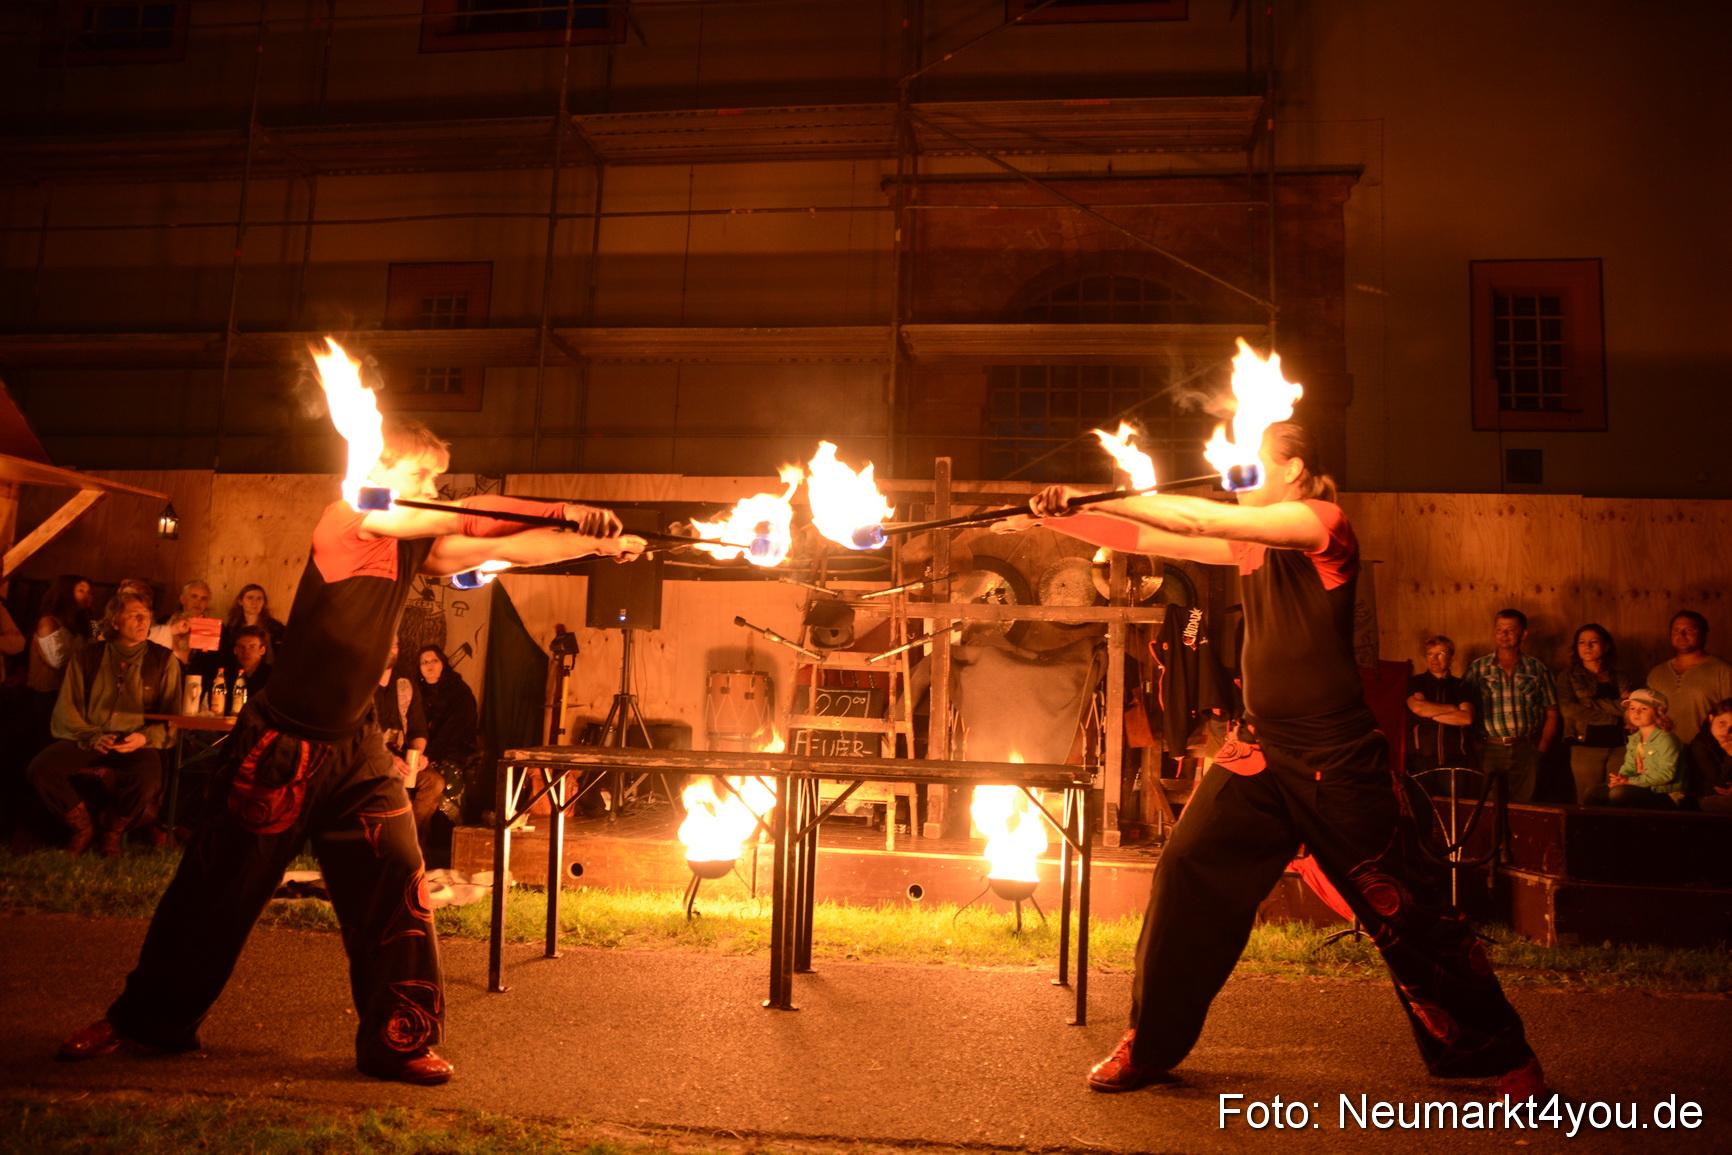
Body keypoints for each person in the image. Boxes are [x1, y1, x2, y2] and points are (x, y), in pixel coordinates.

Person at [56, 414, 644, 1086]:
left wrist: (595, 544)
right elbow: (473, 513)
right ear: (382, 471)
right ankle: (145, 1021)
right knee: (217, 891)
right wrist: (564, 509)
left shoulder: (413, 547)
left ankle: (398, 1041)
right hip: (278, 747)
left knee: (399, 879)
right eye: (424, 476)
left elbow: (498, 547)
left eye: (437, 479)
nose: (435, 489)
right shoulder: (350, 517)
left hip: (357, 749)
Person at [999, 420, 1541, 1099]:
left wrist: (1108, 496)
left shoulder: (1323, 525)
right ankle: (1152, 1043)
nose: (1235, 467)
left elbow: (1198, 516)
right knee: (1187, 867)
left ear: (1294, 470)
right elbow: (1149, 538)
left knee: (1406, 908)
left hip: (1337, 758)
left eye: (1253, 458)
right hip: (1259, 750)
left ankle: (1503, 1054)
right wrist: (1065, 518)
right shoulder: (1250, 543)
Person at [26, 593, 182, 856]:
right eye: (134, 615)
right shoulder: (87, 656)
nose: (143, 620)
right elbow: (67, 708)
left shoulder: (163, 660)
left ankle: (112, 832)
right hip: (91, 737)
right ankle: (82, 829)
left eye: (146, 615)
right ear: (115, 622)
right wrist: (92, 736)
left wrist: (144, 738)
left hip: (135, 742)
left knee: (147, 782)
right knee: (41, 769)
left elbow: (172, 718)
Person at [1462, 610, 1558, 804]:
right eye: (1499, 629)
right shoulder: (1477, 668)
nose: (1504, 635)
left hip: (1526, 749)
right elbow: (1464, 710)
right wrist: (1477, 746)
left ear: (1523, 634)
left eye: (1511, 630)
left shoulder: (1537, 668)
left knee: (1526, 806)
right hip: (1490, 749)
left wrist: (1540, 749)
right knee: (1491, 805)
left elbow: (1552, 713)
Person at [1555, 624, 1636, 805]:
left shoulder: (1620, 677)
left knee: (1618, 798)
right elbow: (1569, 710)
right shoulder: (1568, 677)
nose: (1587, 646)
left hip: (1620, 747)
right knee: (1587, 799)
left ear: (1606, 646)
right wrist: (1612, 717)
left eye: (1593, 642)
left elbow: (1629, 709)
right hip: (1585, 747)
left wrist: (1589, 703)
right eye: (1582, 642)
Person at [374, 640, 438, 848]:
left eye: (394, 645)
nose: (390, 649)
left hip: (401, 756)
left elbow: (418, 729)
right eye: (386, 642)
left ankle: (411, 843)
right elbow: (357, 734)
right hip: (370, 758)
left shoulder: (404, 684)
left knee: (433, 782)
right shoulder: (361, 684)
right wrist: (388, 759)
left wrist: (417, 755)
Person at [1581, 688, 1684, 810]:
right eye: (1632, 708)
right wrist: (1620, 779)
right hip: (1640, 786)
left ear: (1658, 712)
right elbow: (1629, 767)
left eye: (1644, 709)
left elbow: (1665, 775)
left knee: (1619, 794)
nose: (1636, 713)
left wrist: (1629, 782)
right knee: (1593, 792)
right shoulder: (1635, 739)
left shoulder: (1666, 739)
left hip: (1665, 793)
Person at [415, 645, 482, 824]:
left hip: (455, 750)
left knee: (446, 776)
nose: (429, 665)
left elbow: (453, 730)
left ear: (443, 664)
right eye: (424, 662)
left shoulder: (459, 691)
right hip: (421, 751)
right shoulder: (416, 691)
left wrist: (430, 755)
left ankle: (444, 832)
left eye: (434, 660)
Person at [26, 575, 95, 747]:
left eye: (89, 592)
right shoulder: (49, 622)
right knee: (47, 742)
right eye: (81, 590)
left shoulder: (81, 624)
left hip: (72, 692)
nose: (87, 595)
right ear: (66, 592)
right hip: (49, 694)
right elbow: (57, 661)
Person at [1647, 611, 1732, 747]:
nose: (1681, 634)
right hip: (1664, 750)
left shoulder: (1724, 671)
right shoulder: (1657, 673)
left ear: (1703, 635)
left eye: (1689, 630)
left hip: (1708, 750)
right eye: (1676, 630)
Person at [1405, 635, 1474, 795]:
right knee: (1422, 807)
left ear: (1451, 657)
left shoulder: (1460, 685)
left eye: (1440, 654)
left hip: (1454, 761)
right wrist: (1452, 708)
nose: (1434, 659)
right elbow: (1418, 708)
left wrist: (1430, 712)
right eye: (1430, 654)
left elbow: (1466, 718)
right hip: (1420, 761)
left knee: (1453, 808)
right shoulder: (1416, 682)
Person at [148, 579, 221, 688]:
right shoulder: (165, 622)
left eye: (203, 598)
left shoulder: (215, 629)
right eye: (194, 597)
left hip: (200, 685)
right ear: (182, 599)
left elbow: (217, 664)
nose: (198, 602)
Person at [1687, 699, 1732, 816]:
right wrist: (1730, 754)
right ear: (1711, 718)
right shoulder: (1699, 746)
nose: (1726, 731)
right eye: (1722, 723)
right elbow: (1719, 784)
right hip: (1707, 797)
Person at [221, 583, 287, 660]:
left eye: (259, 599)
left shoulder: (275, 627)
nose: (254, 602)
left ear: (264, 602)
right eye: (250, 598)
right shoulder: (233, 626)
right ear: (240, 601)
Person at [219, 624, 272, 696]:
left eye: (252, 647)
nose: (246, 652)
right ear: (235, 650)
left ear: (262, 650)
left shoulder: (271, 677)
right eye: (241, 647)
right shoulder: (227, 675)